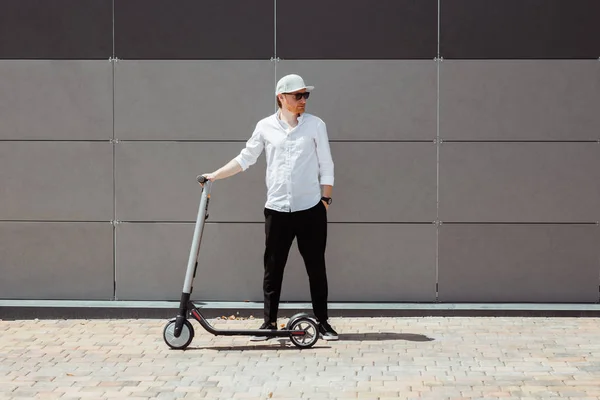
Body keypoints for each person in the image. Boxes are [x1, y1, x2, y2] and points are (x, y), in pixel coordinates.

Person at [200, 74, 338, 341]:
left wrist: (325, 201)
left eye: (305, 95)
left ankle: (323, 322)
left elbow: (327, 164)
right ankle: (269, 324)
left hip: (311, 209)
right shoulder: (265, 127)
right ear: (281, 97)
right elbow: (246, 158)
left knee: (316, 268)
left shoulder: (315, 125)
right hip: (276, 210)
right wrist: (215, 175)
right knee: (273, 268)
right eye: (298, 96)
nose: (303, 100)